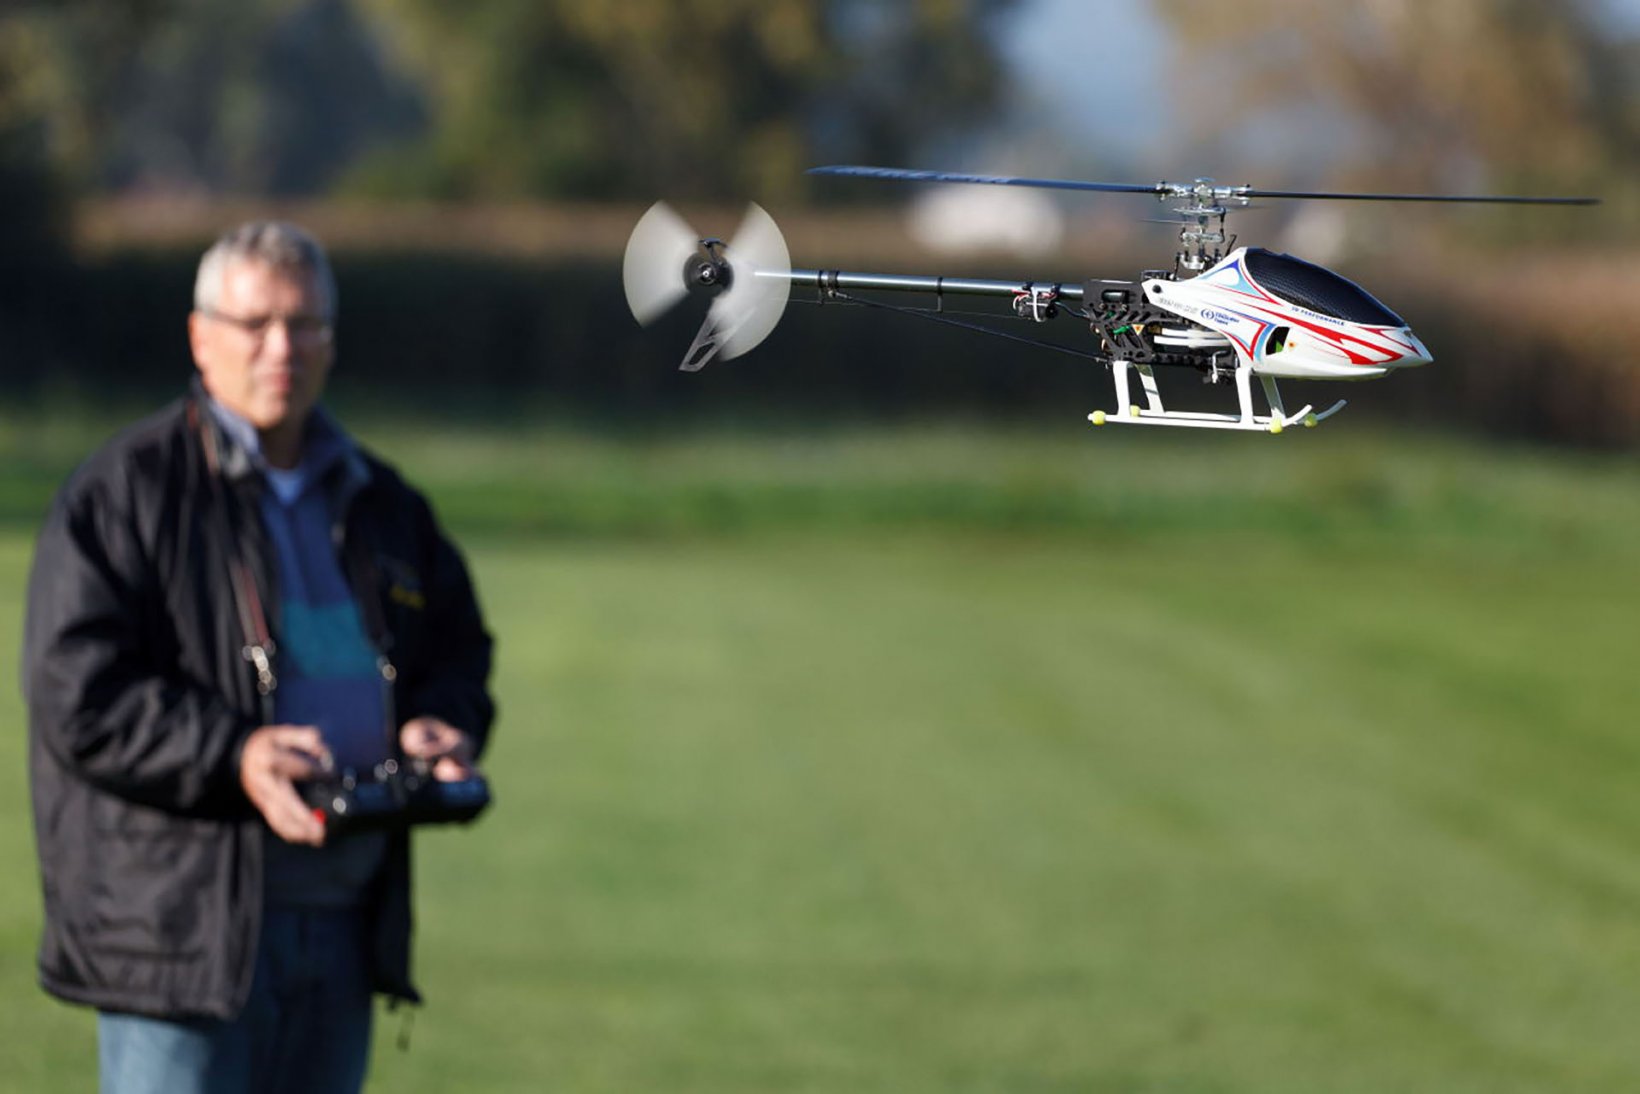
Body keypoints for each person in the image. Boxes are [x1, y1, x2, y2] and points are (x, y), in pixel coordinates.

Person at [23, 221, 495, 1093]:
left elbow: (458, 648)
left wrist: (441, 721)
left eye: (305, 323)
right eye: (256, 323)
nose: (283, 347)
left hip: (345, 923)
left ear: (332, 340)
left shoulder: (384, 500)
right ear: (201, 337)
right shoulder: (124, 492)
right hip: (180, 941)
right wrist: (232, 753)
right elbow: (76, 691)